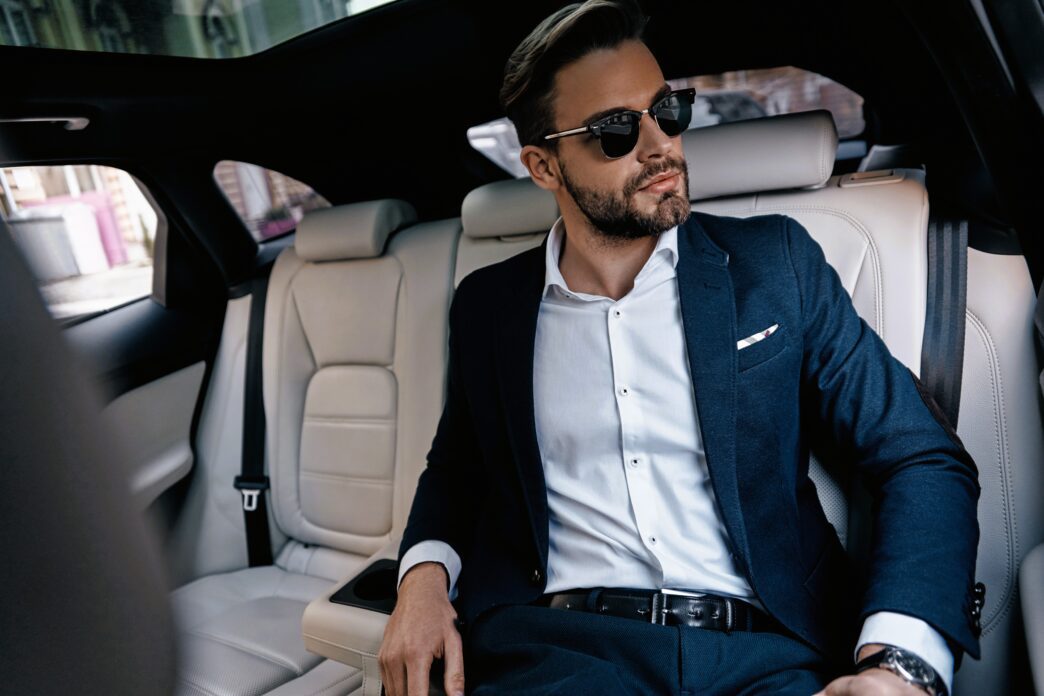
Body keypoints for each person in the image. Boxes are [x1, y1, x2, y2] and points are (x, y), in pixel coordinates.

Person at [378, 1, 982, 694]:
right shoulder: (489, 309)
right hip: (560, 653)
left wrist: (899, 663)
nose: (659, 144)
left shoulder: (774, 265)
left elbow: (919, 453)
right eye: (614, 131)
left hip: (766, 653)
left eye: (668, 111)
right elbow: (458, 470)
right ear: (544, 167)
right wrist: (420, 582)